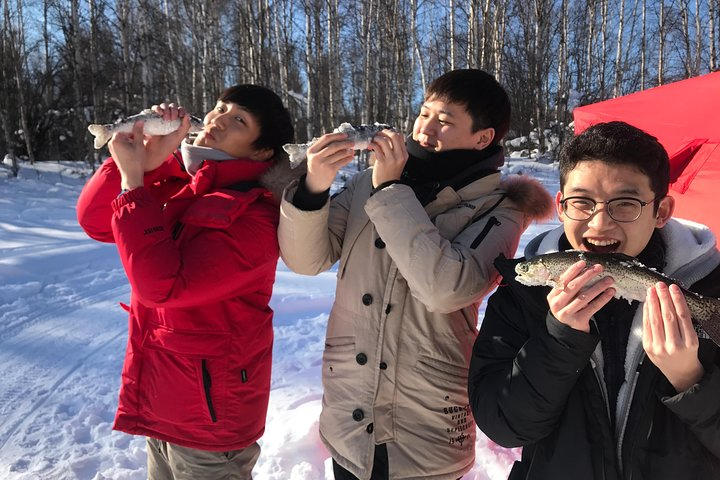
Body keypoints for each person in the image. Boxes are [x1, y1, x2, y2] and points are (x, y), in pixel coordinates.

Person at [277, 69, 554, 479]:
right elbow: (305, 260)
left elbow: (447, 289)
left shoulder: (501, 209)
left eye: (444, 120)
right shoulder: (366, 184)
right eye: (423, 114)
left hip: (424, 425)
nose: (425, 128)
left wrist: (390, 193)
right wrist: (313, 188)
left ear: (483, 137)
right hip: (348, 415)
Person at [468, 121, 720, 479]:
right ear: (561, 205)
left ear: (661, 210)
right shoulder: (522, 296)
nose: (599, 224)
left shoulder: (711, 290)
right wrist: (558, 340)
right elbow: (503, 426)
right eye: (582, 202)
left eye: (625, 204)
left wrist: (690, 378)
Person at [76, 84, 298, 479]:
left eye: (239, 120)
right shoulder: (184, 184)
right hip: (164, 398)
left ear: (262, 151)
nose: (217, 119)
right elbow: (95, 221)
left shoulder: (257, 216)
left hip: (211, 423)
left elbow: (162, 288)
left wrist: (133, 183)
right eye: (219, 108)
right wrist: (148, 162)